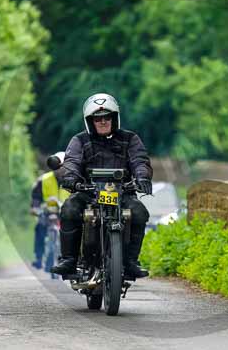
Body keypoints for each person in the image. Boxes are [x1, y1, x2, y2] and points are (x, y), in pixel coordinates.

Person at [50, 93, 152, 279]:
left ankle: (130, 262)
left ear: (115, 118)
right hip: (88, 193)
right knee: (69, 208)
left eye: (107, 117)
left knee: (139, 212)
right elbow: (72, 161)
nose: (103, 121)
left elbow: (140, 160)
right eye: (98, 119)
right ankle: (69, 260)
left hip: (122, 193)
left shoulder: (130, 139)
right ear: (91, 121)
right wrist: (71, 178)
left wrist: (142, 177)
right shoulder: (79, 140)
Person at [30, 153, 70, 270]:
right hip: (48, 212)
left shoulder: (74, 179)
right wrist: (35, 208)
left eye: (62, 166)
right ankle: (38, 258)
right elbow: (36, 197)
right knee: (39, 228)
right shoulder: (43, 179)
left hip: (68, 212)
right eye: (56, 166)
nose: (60, 169)